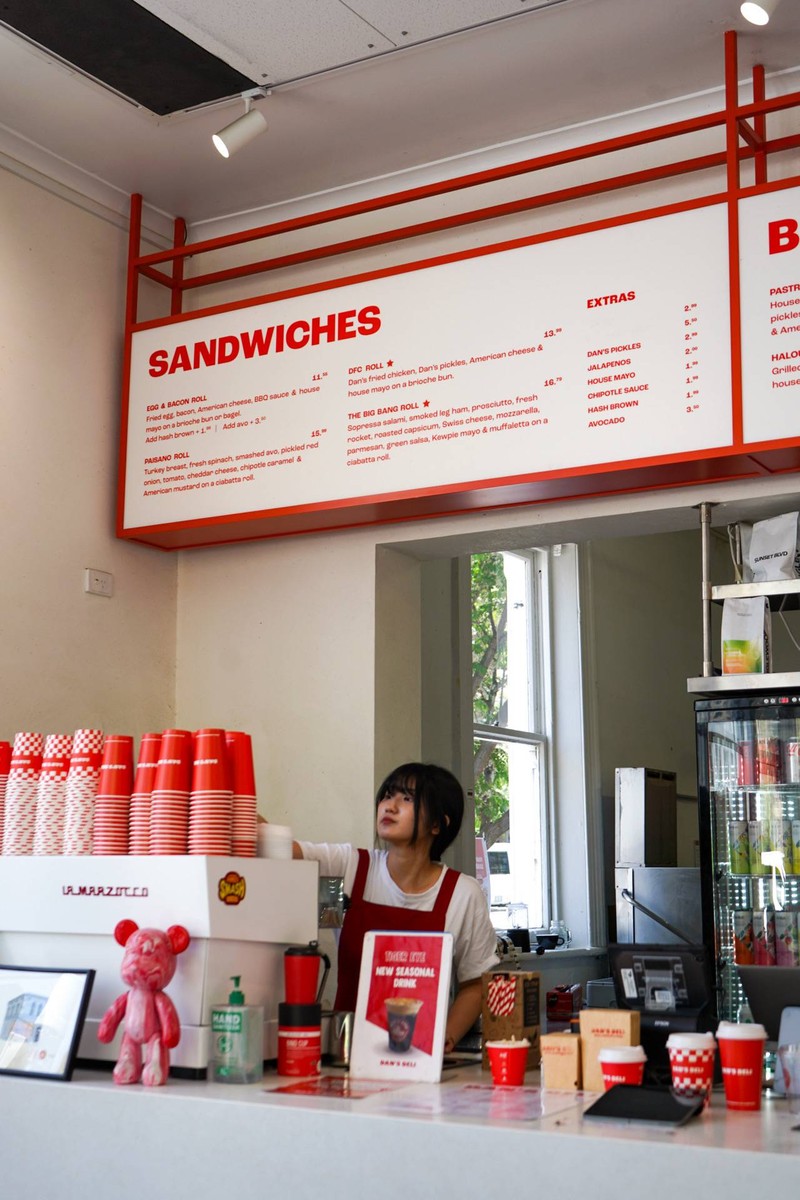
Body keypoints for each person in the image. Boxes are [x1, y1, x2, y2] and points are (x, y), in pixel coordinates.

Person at [292, 762, 499, 1055]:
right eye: (388, 795)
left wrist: (445, 1039)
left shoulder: (462, 893)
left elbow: (475, 984)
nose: (389, 806)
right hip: (346, 1054)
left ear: (437, 824)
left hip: (418, 1058)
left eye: (407, 798)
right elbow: (279, 849)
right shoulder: (349, 869)